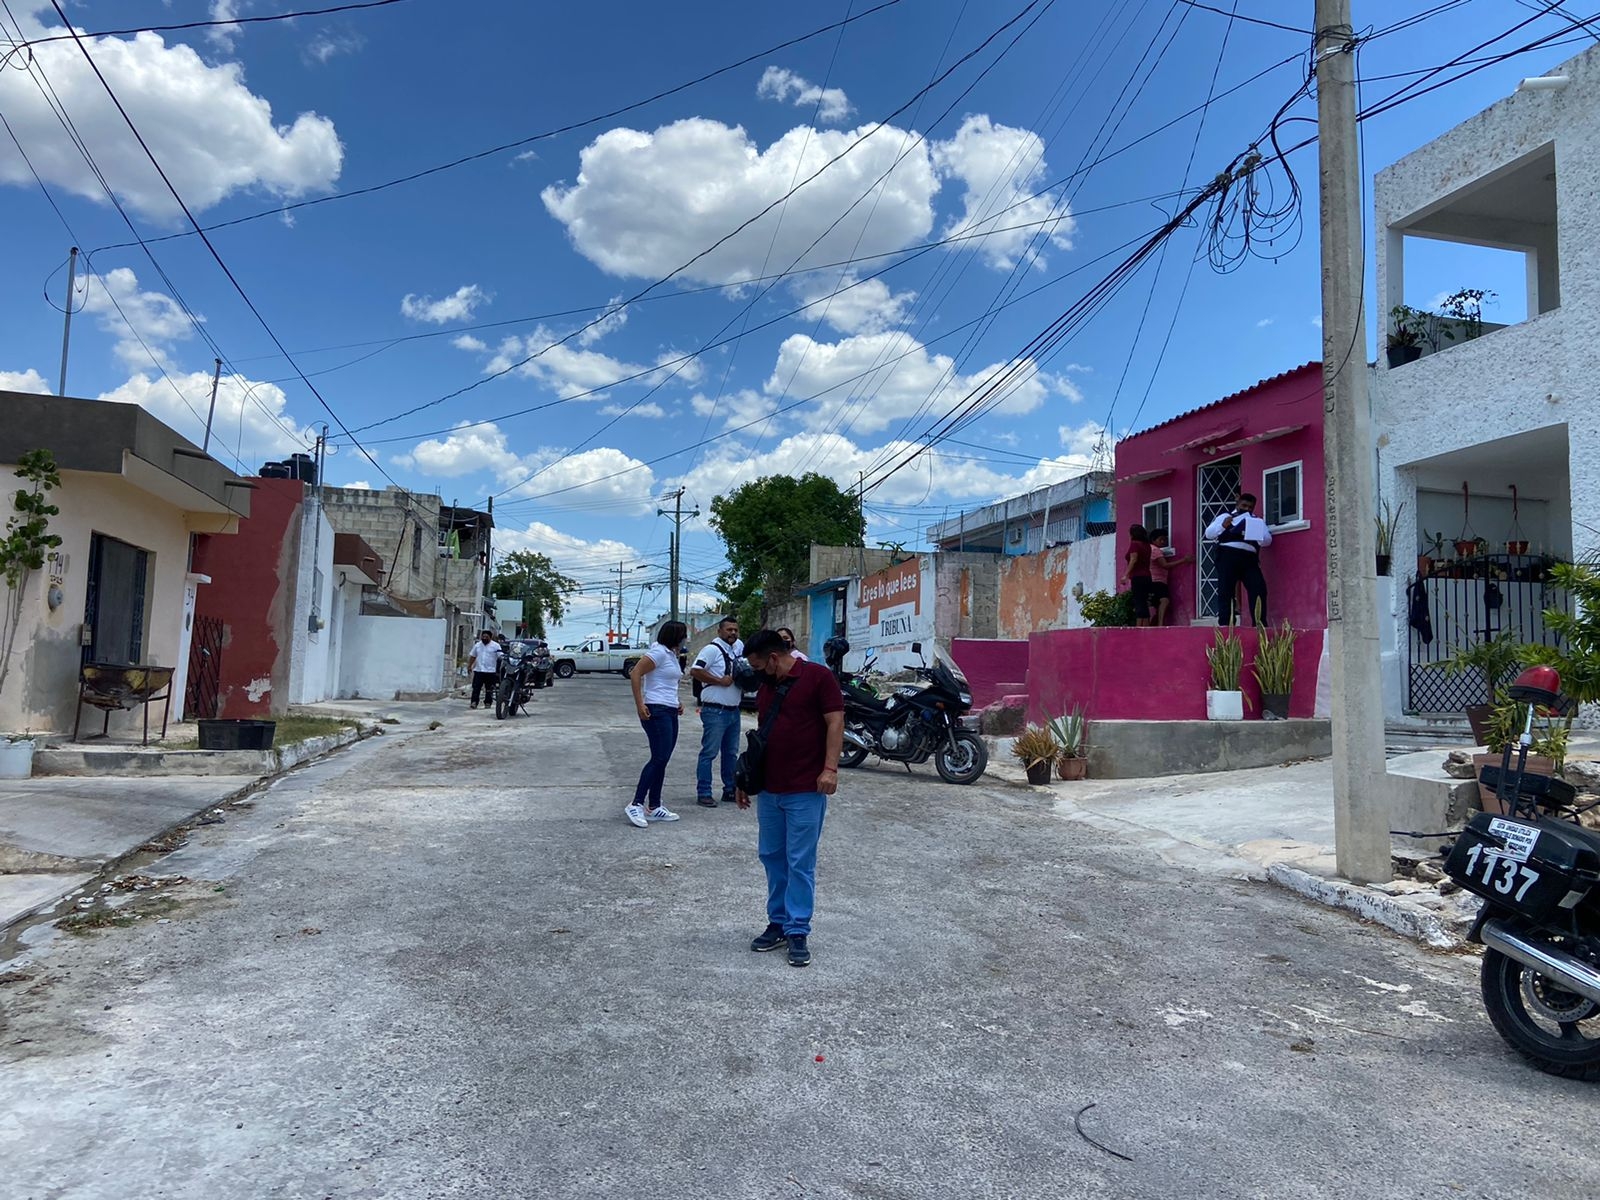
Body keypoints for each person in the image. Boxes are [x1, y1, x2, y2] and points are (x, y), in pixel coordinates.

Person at [737, 629, 845, 969]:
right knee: (772, 856)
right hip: (770, 789)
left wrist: (830, 768)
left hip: (805, 790)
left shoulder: (817, 677)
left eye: (757, 665)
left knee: (800, 861)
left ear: (772, 658)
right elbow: (763, 737)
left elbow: (835, 722)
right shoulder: (767, 687)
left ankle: (798, 929)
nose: (755, 673)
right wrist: (746, 779)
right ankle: (778, 922)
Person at [626, 621, 688, 828]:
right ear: (673, 636)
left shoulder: (671, 655)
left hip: (669, 709)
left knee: (662, 759)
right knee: (659, 758)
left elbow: (667, 682)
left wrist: (677, 702)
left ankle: (654, 805)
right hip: (656, 710)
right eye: (682, 635)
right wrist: (639, 704)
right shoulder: (659, 653)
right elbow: (636, 673)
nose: (684, 639)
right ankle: (636, 803)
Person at [690, 615, 744, 808]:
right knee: (709, 752)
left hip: (734, 711)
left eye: (735, 630)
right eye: (729, 630)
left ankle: (729, 789)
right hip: (715, 711)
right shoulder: (711, 650)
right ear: (720, 631)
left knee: (731, 753)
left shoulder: (739, 648)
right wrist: (719, 681)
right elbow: (695, 671)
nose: (733, 633)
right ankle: (704, 791)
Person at [1204, 491, 1273, 625]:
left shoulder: (1257, 521)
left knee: (1258, 589)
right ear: (1238, 504)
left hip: (1249, 558)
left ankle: (1259, 624)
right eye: (1244, 505)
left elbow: (1268, 541)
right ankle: (1226, 623)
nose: (1247, 509)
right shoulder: (1226, 516)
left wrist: (1257, 535)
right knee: (1226, 589)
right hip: (1227, 555)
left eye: (1250, 507)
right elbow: (1209, 534)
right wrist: (1223, 526)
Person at [1146, 528, 1194, 628]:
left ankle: (1155, 624)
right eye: (1161, 540)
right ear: (1153, 540)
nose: (1163, 542)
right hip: (1158, 581)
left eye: (1165, 540)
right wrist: (1184, 560)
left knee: (1157, 604)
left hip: (1151, 580)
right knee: (1164, 601)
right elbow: (1165, 565)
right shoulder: (1156, 550)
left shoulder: (1149, 549)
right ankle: (1160, 624)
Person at [1120, 524, 1154, 627]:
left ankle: (1139, 627)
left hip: (1138, 577)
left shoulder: (1134, 544)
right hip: (1147, 576)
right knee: (1144, 601)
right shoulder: (1147, 545)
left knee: (1139, 602)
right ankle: (1146, 626)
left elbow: (1133, 559)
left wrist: (1125, 575)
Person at [468, 630, 502, 709]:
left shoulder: (496, 646)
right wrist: (469, 666)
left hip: (490, 671)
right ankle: (474, 702)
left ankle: (488, 702)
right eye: (483, 637)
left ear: (490, 637)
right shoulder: (477, 645)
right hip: (479, 670)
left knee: (489, 689)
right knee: (476, 688)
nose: (484, 638)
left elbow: (500, 656)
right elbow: (473, 656)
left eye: (486, 637)